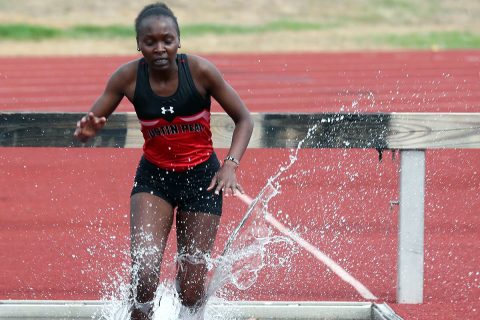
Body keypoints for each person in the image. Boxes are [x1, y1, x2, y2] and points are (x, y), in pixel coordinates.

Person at [73, 2, 253, 319]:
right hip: (155, 178)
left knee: (192, 289)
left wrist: (231, 164)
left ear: (178, 41)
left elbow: (244, 119)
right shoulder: (127, 78)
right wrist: (87, 132)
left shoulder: (200, 73)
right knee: (144, 274)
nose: (159, 48)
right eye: (150, 41)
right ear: (139, 44)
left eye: (167, 40)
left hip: (202, 180)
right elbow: (91, 122)